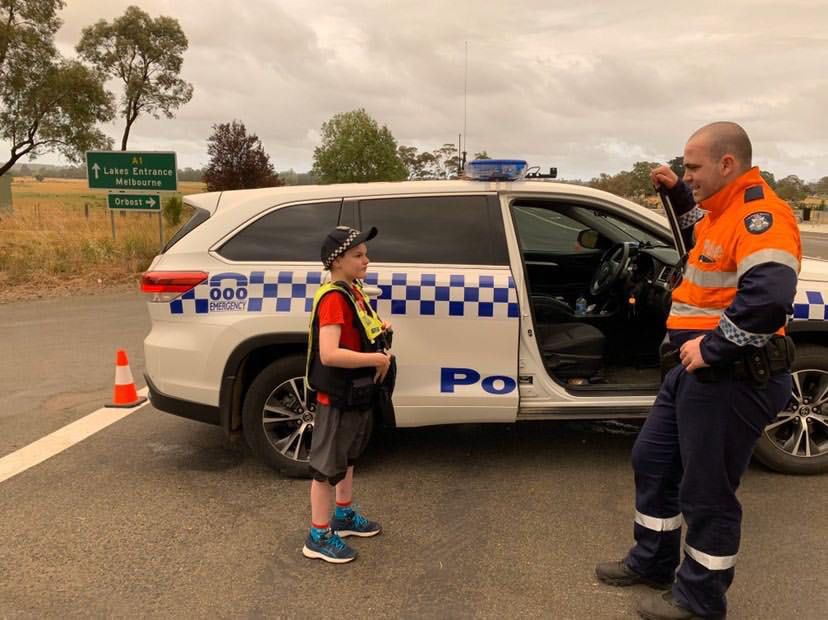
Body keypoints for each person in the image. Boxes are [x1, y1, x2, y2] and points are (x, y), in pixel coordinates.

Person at [595, 122, 801, 619]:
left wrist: (712, 348)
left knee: (707, 491)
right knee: (655, 461)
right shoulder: (719, 213)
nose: (689, 174)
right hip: (694, 375)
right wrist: (677, 192)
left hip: (728, 376)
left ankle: (699, 600)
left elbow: (769, 297)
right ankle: (653, 562)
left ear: (727, 164)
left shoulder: (760, 216)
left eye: (693, 167)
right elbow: (698, 243)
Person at [301, 225, 392, 564]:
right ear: (337, 261)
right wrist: (375, 358)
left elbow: (363, 332)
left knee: (348, 459)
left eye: (365, 253)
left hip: (356, 394)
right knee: (327, 468)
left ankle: (342, 516)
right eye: (358, 255)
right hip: (337, 396)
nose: (367, 260)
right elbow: (329, 354)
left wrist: (381, 340)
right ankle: (318, 535)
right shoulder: (335, 298)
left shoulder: (352, 290)